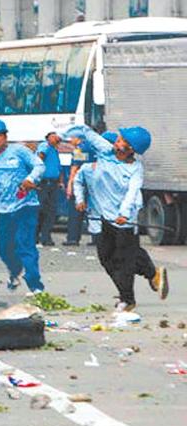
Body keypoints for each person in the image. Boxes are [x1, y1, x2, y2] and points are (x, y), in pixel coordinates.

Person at [64, 123, 168, 310]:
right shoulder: (105, 152)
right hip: (104, 218)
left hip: (124, 220)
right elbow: (89, 133)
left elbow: (132, 192)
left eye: (122, 140)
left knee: (125, 260)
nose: (117, 142)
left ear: (130, 150)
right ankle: (153, 274)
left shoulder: (135, 169)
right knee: (107, 258)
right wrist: (67, 133)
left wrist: (124, 213)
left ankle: (127, 300)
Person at [0, 119, 46, 294]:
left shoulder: (19, 151)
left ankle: (35, 286)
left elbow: (39, 165)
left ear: (5, 136)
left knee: (25, 243)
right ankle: (15, 272)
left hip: (26, 206)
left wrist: (31, 179)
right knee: (4, 249)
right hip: (5, 210)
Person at [35, 132, 64, 246]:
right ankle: (36, 236)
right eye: (53, 136)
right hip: (43, 183)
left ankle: (46, 236)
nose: (56, 137)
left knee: (51, 211)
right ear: (48, 138)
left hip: (53, 183)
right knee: (40, 210)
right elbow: (39, 159)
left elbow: (58, 167)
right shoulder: (45, 146)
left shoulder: (55, 150)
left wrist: (61, 182)